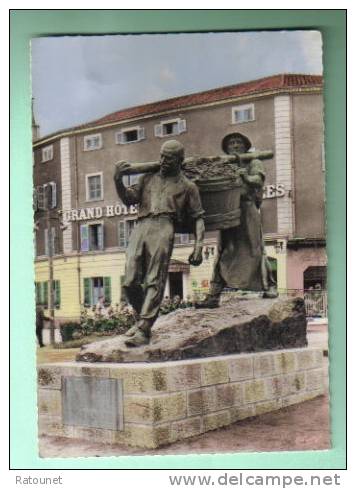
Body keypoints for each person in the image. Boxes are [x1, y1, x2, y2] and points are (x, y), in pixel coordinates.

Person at [114, 140, 205, 347]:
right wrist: (117, 181)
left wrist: (198, 246)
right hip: (142, 224)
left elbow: (198, 218)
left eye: (169, 158)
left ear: (180, 161)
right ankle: (141, 320)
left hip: (164, 226)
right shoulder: (147, 177)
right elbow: (129, 199)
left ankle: (145, 328)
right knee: (129, 281)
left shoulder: (188, 187)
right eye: (162, 156)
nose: (163, 161)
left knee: (156, 278)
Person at [196, 132, 277, 308]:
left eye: (238, 142)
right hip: (227, 210)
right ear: (226, 147)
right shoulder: (224, 165)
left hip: (247, 208)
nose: (234, 145)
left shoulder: (253, 161)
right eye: (231, 143)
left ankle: (269, 286)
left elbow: (258, 179)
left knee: (255, 248)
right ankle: (213, 295)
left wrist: (246, 177)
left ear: (245, 145)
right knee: (223, 250)